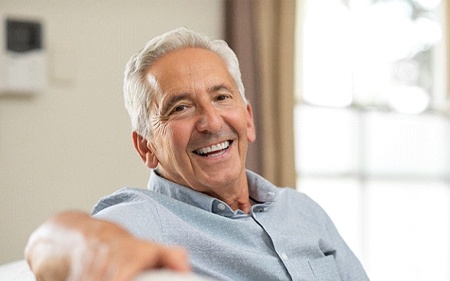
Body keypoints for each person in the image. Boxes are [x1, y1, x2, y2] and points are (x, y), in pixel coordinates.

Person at [25, 27, 369, 281]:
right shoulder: (145, 219)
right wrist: (96, 248)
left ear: (247, 118)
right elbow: (46, 244)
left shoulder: (303, 210)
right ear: (146, 147)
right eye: (180, 108)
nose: (210, 121)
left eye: (221, 97)